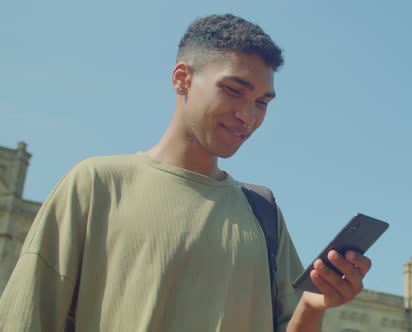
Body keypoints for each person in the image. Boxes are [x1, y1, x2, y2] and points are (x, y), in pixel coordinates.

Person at [0, 14, 372, 332]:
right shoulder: (96, 185)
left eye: (262, 102)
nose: (249, 116)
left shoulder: (264, 212)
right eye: (233, 90)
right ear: (182, 78)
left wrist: (311, 307)